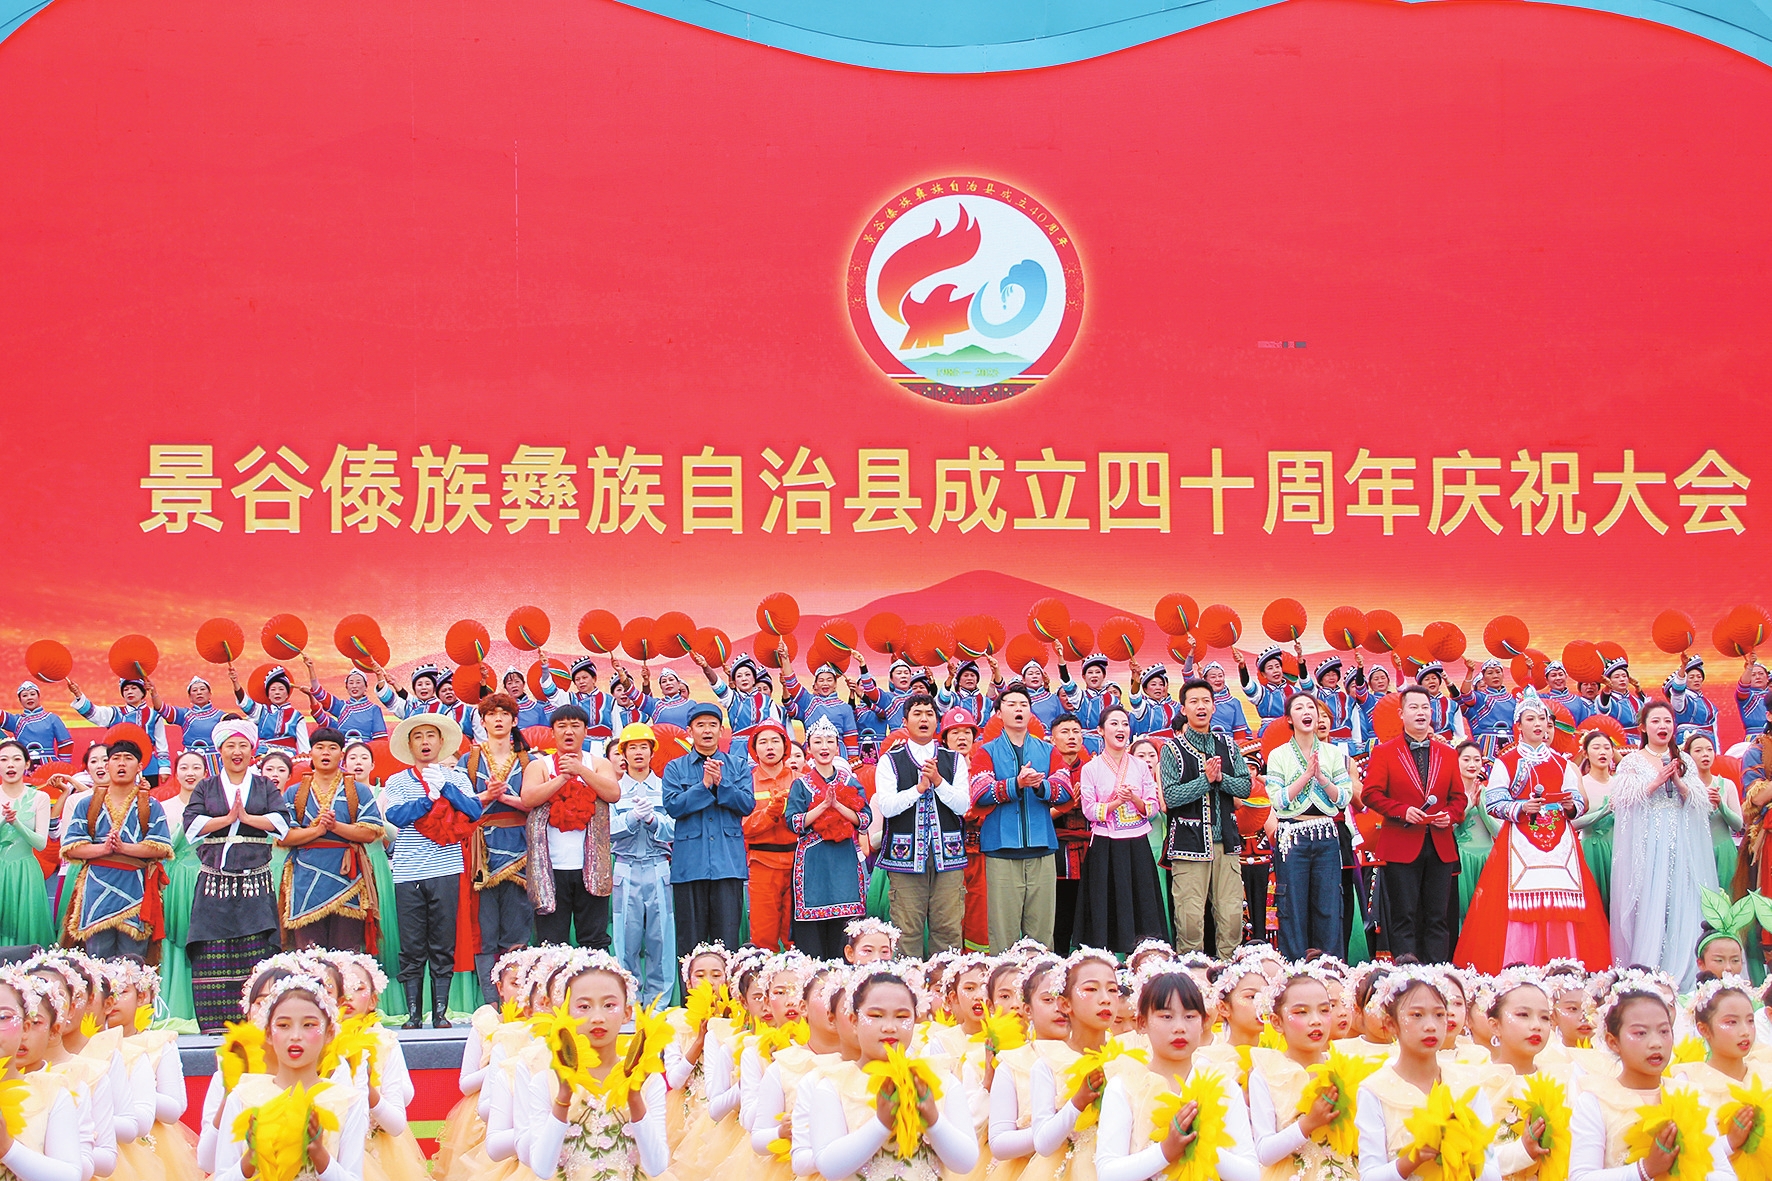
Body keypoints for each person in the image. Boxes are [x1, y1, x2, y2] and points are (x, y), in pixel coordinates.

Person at [1454, 687, 1610, 972]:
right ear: (1519, 725)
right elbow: (1494, 803)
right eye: (1531, 719)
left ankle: (1564, 967)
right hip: (1520, 843)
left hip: (1560, 844)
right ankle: (1519, 967)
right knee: (1519, 904)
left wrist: (1570, 806)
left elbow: (1579, 802)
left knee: (1563, 901)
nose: (1538, 724)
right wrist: (1521, 807)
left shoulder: (1562, 763)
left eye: (1542, 719)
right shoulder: (1506, 762)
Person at [1095, 970, 1260, 1181]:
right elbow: (1108, 1173)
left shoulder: (1223, 1086)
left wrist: (1202, 1143)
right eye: (1166, 1017)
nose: (1180, 1028)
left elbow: (1250, 1174)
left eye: (1190, 1017)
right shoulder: (1126, 1086)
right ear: (1142, 1023)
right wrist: (1165, 1151)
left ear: (1204, 1022)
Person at [182, 718, 289, 1031]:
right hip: (214, 880)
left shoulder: (264, 785)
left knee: (257, 945)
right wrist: (228, 818)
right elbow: (191, 825)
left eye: (243, 745)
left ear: (252, 749)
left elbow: (281, 823)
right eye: (231, 745)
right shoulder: (206, 786)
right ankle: (215, 1024)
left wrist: (247, 817)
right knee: (211, 945)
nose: (237, 751)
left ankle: (259, 1019)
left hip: (255, 877)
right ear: (220, 750)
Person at [380, 712, 483, 1029]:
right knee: (412, 946)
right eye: (418, 737)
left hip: (446, 869)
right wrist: (429, 798)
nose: (425, 742)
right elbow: (396, 816)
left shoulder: (457, 778)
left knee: (443, 943)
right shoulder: (398, 781)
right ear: (410, 745)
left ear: (440, 742)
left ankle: (440, 1013)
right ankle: (413, 1014)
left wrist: (447, 789)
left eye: (430, 736)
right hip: (408, 872)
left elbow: (475, 810)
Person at [1611, 701, 1719, 990]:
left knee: (1683, 897)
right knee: (1651, 899)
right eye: (1656, 721)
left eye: (1668, 721)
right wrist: (1656, 782)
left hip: (1681, 840)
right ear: (1643, 727)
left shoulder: (1684, 759)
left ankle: (1685, 970)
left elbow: (1701, 801)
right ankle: (1648, 971)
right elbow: (1621, 801)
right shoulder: (1632, 761)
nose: (1663, 726)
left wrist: (1680, 783)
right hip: (1648, 842)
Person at [1361, 686, 1466, 964]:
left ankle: (1436, 973)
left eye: (1425, 707)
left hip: (1440, 843)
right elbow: (1370, 794)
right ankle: (1407, 972)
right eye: (1414, 707)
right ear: (1401, 713)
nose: (1421, 713)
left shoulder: (1448, 753)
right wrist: (1402, 811)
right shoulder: (1384, 752)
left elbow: (1459, 798)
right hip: (1401, 843)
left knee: (1438, 916)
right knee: (1403, 914)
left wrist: (1450, 815)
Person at [871, 694, 971, 958]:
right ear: (905, 722)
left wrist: (938, 782)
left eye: (929, 713)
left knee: (948, 928)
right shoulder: (890, 760)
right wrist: (917, 789)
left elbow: (963, 805)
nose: (924, 718)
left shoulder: (954, 759)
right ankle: (909, 982)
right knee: (906, 930)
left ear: (937, 721)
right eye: (917, 713)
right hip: (904, 856)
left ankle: (946, 981)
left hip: (948, 855)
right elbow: (887, 807)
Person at [1160, 679, 1253, 959]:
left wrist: (1220, 778)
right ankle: (1191, 971)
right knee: (1189, 917)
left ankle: (1229, 972)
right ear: (1183, 709)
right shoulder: (1171, 749)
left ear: (1214, 707)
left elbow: (1245, 787)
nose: (1200, 706)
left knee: (1232, 914)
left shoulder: (1229, 745)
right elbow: (1171, 797)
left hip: (1226, 842)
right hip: (1188, 844)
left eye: (1206, 701)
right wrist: (1205, 780)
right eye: (1194, 701)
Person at [972, 685, 1068, 953]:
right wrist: (1016, 784)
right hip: (1001, 850)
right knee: (1004, 932)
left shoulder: (1047, 750)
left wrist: (1039, 786)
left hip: (1042, 847)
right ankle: (1004, 977)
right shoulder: (985, 752)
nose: (1018, 709)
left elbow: (1065, 790)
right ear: (999, 713)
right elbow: (979, 793)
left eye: (1024, 705)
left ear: (1030, 712)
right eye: (1011, 704)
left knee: (1042, 931)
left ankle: (1042, 977)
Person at [519, 703, 621, 950]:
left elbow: (613, 793)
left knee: (594, 940)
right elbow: (528, 798)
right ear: (552, 732)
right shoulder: (539, 766)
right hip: (551, 867)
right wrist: (562, 778)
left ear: (585, 731)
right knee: (551, 943)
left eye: (575, 726)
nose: (568, 732)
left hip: (591, 866)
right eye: (562, 726)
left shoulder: (598, 764)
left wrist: (580, 770)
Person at [59, 737, 172, 960]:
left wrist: (123, 847)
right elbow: (71, 848)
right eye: (116, 758)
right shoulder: (88, 804)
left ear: (139, 766)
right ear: (108, 765)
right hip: (96, 888)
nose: (121, 763)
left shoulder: (150, 805)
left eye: (128, 758)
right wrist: (104, 849)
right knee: (97, 960)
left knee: (133, 961)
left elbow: (161, 848)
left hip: (135, 888)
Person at [277, 725, 385, 952]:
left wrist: (335, 826)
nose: (326, 752)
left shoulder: (358, 791)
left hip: (348, 877)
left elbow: (370, 832)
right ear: (311, 753)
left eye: (332, 748)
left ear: (341, 754)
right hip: (305, 877)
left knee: (347, 951)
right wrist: (318, 831)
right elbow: (284, 836)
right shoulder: (294, 792)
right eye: (320, 747)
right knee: (308, 954)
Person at [1262, 693, 1352, 959]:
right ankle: (1295, 966)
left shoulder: (1333, 753)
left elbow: (1344, 798)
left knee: (1328, 903)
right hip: (1292, 835)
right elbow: (1277, 801)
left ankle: (1329, 965)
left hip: (1325, 833)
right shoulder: (1278, 755)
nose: (1306, 712)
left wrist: (1322, 778)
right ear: (1290, 719)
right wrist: (1306, 776)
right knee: (1292, 904)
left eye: (1310, 707)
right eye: (1299, 708)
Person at [1071, 705, 1166, 954]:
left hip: (1137, 843)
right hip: (1106, 845)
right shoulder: (1091, 768)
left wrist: (1134, 799)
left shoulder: (1140, 766)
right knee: (1107, 902)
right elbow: (1089, 810)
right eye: (1114, 723)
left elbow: (1153, 807)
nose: (1121, 728)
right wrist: (1117, 802)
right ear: (1101, 731)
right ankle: (1106, 958)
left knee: (1142, 900)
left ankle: (1144, 955)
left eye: (1124, 723)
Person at [663, 700, 755, 954]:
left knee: (727, 945)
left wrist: (721, 783)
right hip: (690, 867)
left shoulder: (737, 765)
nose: (707, 730)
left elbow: (746, 804)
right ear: (689, 731)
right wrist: (703, 785)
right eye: (700, 725)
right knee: (690, 946)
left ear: (721, 731)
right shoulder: (675, 767)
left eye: (713, 725)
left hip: (728, 865)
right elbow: (673, 806)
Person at [460, 692, 534, 1004]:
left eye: (504, 714)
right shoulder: (469, 760)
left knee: (517, 928)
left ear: (514, 720)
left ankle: (517, 998)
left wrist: (505, 798)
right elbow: (460, 805)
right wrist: (487, 797)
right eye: (492, 714)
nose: (498, 719)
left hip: (521, 848)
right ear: (483, 721)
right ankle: (492, 1000)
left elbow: (537, 803)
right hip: (482, 853)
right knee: (484, 930)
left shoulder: (529, 760)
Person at [785, 717, 873, 958]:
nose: (824, 746)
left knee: (844, 931)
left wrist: (838, 806)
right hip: (813, 863)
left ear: (837, 747)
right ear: (809, 748)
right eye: (818, 741)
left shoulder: (850, 782)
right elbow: (793, 822)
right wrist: (823, 806)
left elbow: (865, 819)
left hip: (844, 861)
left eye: (829, 741)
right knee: (811, 938)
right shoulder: (801, 785)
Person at [609, 722, 676, 1006]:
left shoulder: (665, 788)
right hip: (625, 867)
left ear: (652, 752)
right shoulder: (613, 790)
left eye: (643, 747)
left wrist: (653, 820)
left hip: (659, 866)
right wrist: (631, 818)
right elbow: (605, 830)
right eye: (632, 747)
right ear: (623, 753)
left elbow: (675, 829)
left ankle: (659, 1003)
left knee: (661, 938)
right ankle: (630, 1002)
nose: (638, 752)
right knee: (626, 939)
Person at [743, 720, 799, 953]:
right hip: (762, 864)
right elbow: (744, 827)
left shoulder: (799, 779)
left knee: (796, 937)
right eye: (763, 742)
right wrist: (769, 814)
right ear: (754, 749)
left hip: (797, 864)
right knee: (763, 937)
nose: (770, 746)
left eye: (775, 741)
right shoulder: (747, 781)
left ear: (785, 746)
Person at [157, 748, 203, 1021]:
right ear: (175, 773)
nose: (190, 773)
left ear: (205, 773)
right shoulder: (165, 807)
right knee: (174, 937)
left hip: (207, 877)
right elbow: (162, 847)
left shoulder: (214, 808)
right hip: (174, 879)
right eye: (184, 767)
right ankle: (174, 1006)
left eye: (196, 767)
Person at [0, 739, 55, 947]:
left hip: (26, 872)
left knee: (27, 931)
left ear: (27, 764)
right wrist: (4, 820)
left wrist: (17, 823)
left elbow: (41, 844)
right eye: (3, 760)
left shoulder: (40, 798)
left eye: (16, 759)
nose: (10, 765)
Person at [67, 675, 173, 782]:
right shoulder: (115, 713)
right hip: (121, 766)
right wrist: (78, 695)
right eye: (126, 689)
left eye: (134, 688)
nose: (129, 692)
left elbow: (161, 743)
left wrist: (164, 767)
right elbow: (95, 713)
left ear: (143, 692)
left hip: (149, 767)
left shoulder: (154, 715)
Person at [1046, 713, 1093, 953]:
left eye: (1076, 731)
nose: (1071, 737)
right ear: (1052, 739)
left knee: (1089, 912)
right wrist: (1065, 806)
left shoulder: (1092, 770)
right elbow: (1037, 816)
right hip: (1056, 851)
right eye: (1064, 732)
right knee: (1059, 914)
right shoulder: (1045, 770)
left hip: (1089, 850)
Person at [1683, 732, 1744, 891]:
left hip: (1725, 852)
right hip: (1696, 852)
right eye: (1698, 750)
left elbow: (1738, 825)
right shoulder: (1684, 788)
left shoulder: (1726, 785)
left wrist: (1721, 805)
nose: (1705, 754)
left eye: (1709, 749)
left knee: (1729, 898)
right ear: (1688, 756)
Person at [1449, 740, 1495, 923]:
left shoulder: (1489, 793)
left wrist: (1481, 805)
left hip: (1487, 857)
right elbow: (1448, 828)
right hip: (1460, 857)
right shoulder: (1450, 794)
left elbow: (1498, 831)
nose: (1472, 764)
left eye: (1477, 759)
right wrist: (1468, 805)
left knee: (1486, 912)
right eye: (1466, 759)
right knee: (1460, 912)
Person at [1572, 730, 1617, 912]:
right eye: (1596, 748)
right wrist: (1603, 812)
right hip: (1591, 850)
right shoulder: (1581, 784)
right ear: (1585, 753)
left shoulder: (1620, 784)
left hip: (1618, 849)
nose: (1602, 752)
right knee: (1595, 905)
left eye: (1607, 748)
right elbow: (1572, 824)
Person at [232, 661, 311, 754]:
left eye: (281, 689)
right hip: (263, 756)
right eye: (273, 689)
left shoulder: (296, 716)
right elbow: (245, 703)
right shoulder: (262, 711)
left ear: (287, 694)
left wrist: (304, 759)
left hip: (287, 756)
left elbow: (304, 747)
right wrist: (235, 682)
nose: (277, 692)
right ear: (268, 695)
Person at [159, 675, 229, 774]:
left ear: (210, 694)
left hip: (215, 761)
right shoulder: (185, 715)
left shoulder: (221, 716)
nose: (199, 692)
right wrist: (153, 694)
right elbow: (163, 709)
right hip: (191, 760)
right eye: (194, 690)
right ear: (190, 697)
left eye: (202, 689)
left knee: (216, 783)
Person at [307, 666, 388, 742]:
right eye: (351, 683)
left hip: (364, 748)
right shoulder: (341, 706)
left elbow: (380, 739)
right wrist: (311, 668)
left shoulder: (374, 709)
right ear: (347, 687)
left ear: (365, 687)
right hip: (344, 748)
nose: (354, 686)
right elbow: (321, 695)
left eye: (358, 682)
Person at [1, 681, 72, 767]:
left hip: (48, 765)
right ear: (20, 700)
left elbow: (66, 743)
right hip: (24, 765)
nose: (29, 698)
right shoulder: (17, 721)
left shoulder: (52, 718)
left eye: (32, 694)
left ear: (38, 696)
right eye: (24, 695)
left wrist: (63, 766)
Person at [1059, 654, 1120, 752]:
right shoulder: (1080, 697)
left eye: (1098, 672)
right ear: (1084, 676)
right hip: (1085, 745)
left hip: (1109, 745)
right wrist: (1061, 658)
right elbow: (1067, 683)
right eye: (1090, 672)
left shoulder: (1113, 700)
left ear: (1104, 675)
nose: (1094, 675)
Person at [1456, 659, 1515, 758]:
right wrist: (1470, 671)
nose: (1495, 676)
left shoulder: (1513, 700)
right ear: (1484, 678)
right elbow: (1466, 694)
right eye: (1490, 673)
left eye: (1498, 672)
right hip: (1487, 743)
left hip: (1510, 742)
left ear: (1503, 675)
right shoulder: (1481, 697)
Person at [1667, 656, 1718, 748]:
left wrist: (1717, 751)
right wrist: (1683, 667)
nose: (1696, 679)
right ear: (1685, 681)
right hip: (1687, 742)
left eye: (1699, 676)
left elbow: (1715, 731)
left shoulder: (1709, 704)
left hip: (1709, 742)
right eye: (1691, 677)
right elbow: (1677, 693)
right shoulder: (1683, 701)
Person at [1594, 658, 1645, 743]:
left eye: (1624, 676)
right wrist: (1608, 688)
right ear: (1609, 680)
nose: (1622, 679)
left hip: (1639, 741)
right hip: (1617, 741)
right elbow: (1603, 707)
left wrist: (1638, 689)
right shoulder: (1608, 700)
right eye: (1616, 677)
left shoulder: (1636, 701)